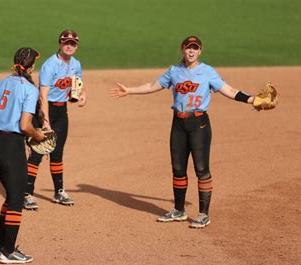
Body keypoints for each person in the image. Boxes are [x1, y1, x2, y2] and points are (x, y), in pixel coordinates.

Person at [109, 36, 256, 229]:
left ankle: (203, 214)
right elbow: (153, 86)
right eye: (188, 48)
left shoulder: (208, 72)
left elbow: (229, 90)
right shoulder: (174, 71)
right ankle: (178, 210)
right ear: (183, 50)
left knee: (201, 170)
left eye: (195, 48)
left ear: (200, 51)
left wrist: (251, 99)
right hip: (178, 124)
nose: (191, 51)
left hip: (199, 124)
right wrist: (129, 90)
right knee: (178, 169)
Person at [0, 47, 49, 264]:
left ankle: (1, 245)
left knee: (11, 194)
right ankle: (8, 251)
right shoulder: (30, 90)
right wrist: (37, 135)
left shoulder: (1, 83)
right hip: (11, 146)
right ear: (31, 67)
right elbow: (24, 125)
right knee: (16, 197)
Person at [23, 29, 87, 210]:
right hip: (44, 111)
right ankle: (27, 193)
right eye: (66, 42)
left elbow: (78, 83)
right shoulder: (50, 65)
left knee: (57, 153)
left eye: (73, 43)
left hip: (62, 112)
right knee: (37, 152)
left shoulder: (76, 64)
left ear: (76, 46)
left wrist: (83, 94)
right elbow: (43, 95)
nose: (69, 46)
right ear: (60, 43)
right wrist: (45, 122)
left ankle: (59, 191)